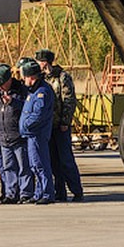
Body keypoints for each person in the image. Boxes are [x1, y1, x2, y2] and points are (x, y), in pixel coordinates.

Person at [39, 48, 84, 202]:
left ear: (45, 62)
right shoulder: (41, 79)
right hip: (47, 126)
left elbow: (69, 100)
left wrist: (65, 121)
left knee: (66, 160)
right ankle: (60, 192)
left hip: (60, 126)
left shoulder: (62, 77)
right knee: (53, 162)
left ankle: (77, 190)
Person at [0, 63, 33, 204]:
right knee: (8, 167)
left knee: (23, 166)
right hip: (3, 136)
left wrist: (13, 102)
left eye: (2, 83)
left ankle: (25, 193)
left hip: (18, 136)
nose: (0, 86)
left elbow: (28, 109)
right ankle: (11, 193)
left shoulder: (22, 91)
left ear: (9, 79)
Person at [18, 56, 56, 204]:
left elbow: (38, 115)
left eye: (25, 77)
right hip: (31, 134)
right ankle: (39, 192)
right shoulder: (33, 91)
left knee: (41, 164)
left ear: (31, 78)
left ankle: (47, 193)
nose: (24, 81)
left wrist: (26, 125)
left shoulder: (42, 92)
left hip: (37, 134)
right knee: (35, 165)